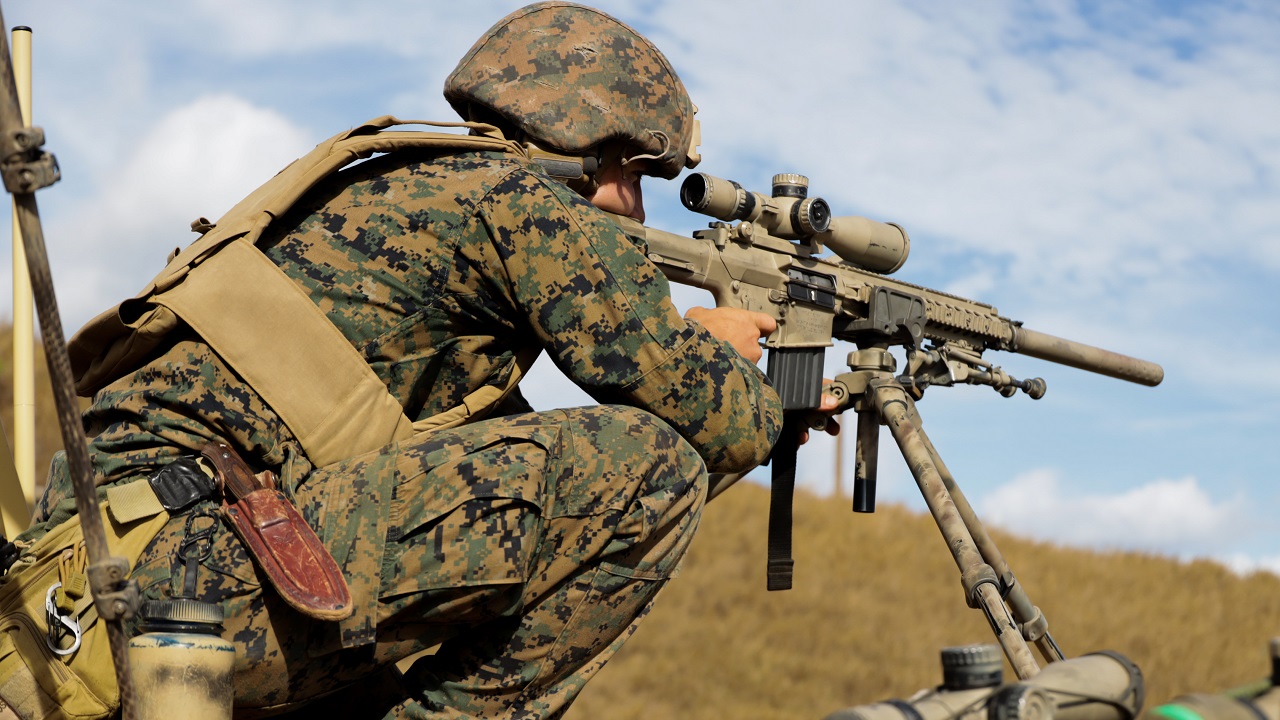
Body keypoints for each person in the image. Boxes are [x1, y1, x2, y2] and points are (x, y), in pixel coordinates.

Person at [23, 2, 784, 718]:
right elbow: (721, 425)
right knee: (646, 469)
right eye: (636, 174)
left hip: (106, 577)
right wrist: (734, 369)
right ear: (589, 142)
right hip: (169, 574)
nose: (638, 210)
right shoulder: (520, 199)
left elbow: (497, 472)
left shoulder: (407, 180)